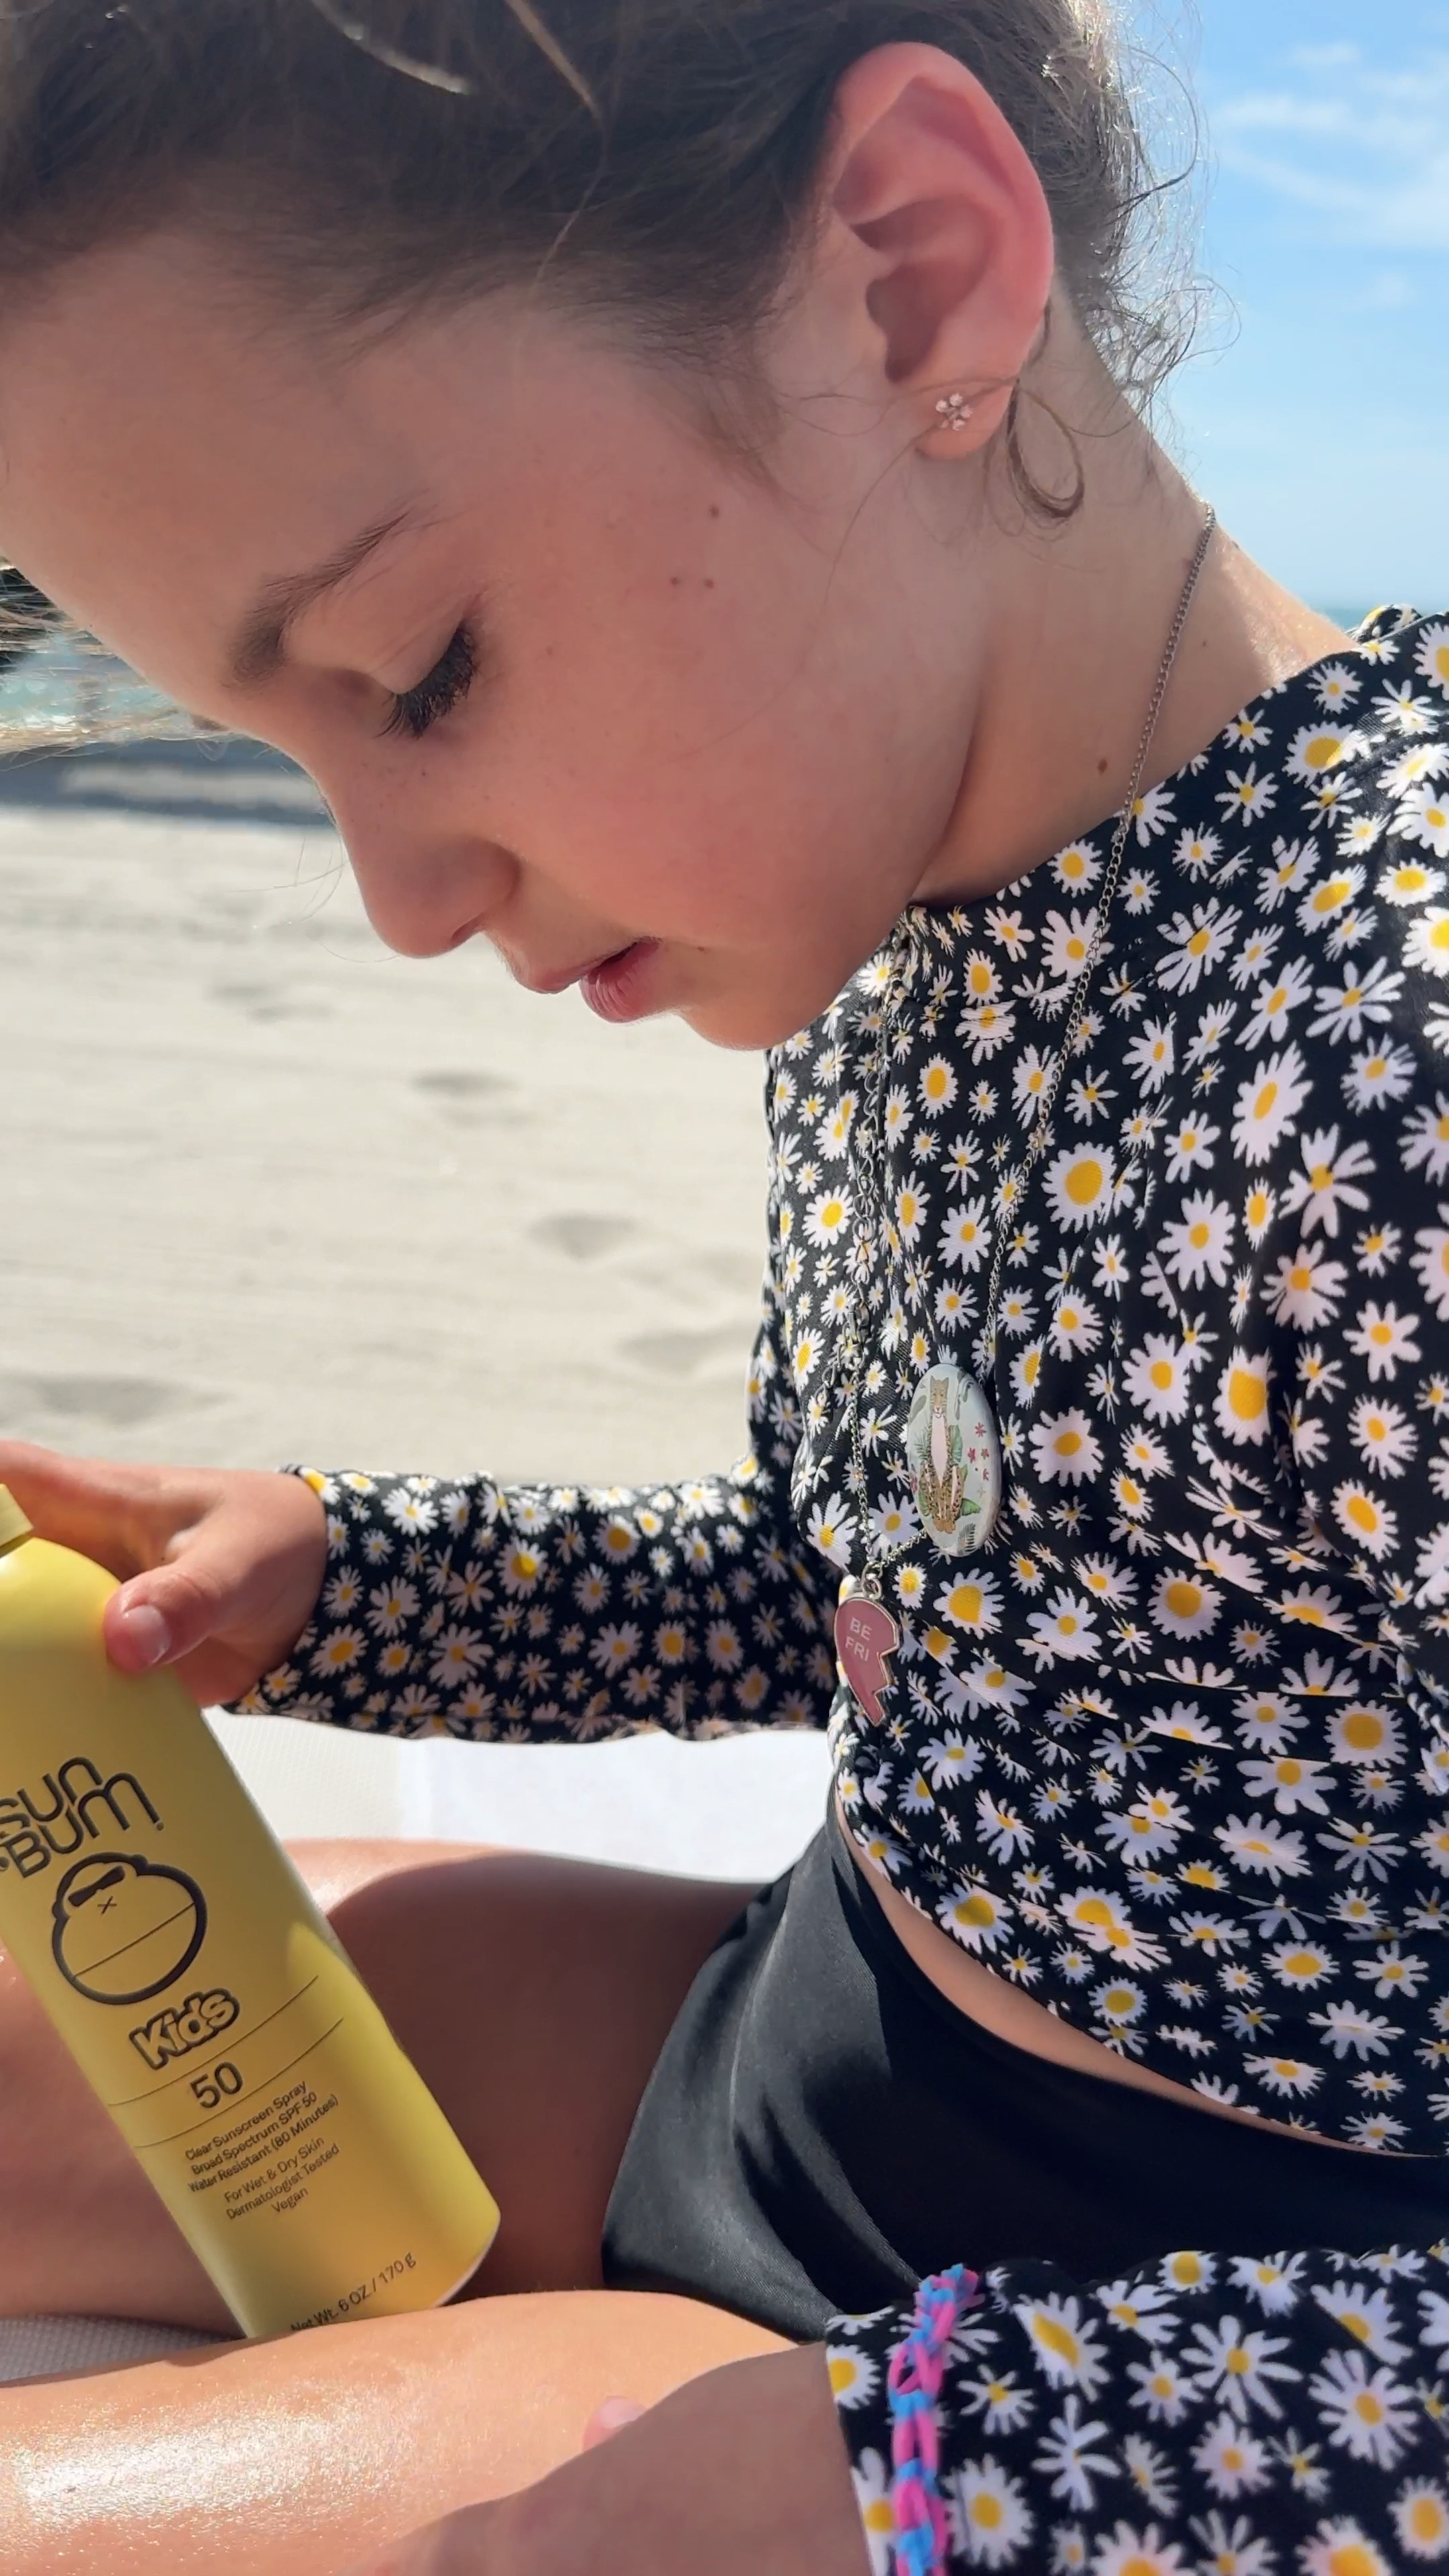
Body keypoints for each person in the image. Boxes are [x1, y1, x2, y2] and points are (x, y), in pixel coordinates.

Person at [1, 1, 1447, 2569]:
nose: (400, 901)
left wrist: (928, 2484)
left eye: (418, 678)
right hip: (798, 2034)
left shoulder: (1399, 1033)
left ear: (907, 275)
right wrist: (369, 1574)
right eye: (279, 746)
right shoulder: (898, 908)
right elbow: (867, 1588)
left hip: (1145, 2342)